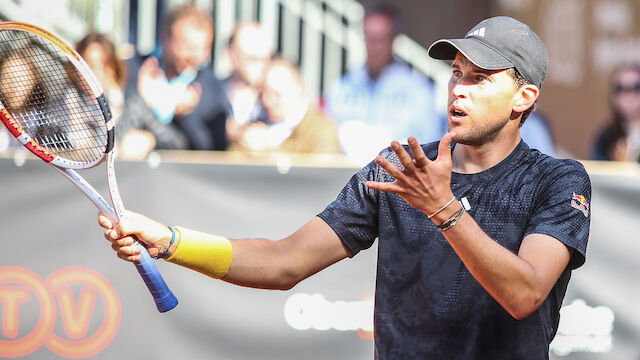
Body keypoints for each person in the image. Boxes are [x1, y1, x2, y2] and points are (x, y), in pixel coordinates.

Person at [99, 16, 591, 359]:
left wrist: (443, 208)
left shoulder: (558, 180)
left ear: (524, 97)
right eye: (456, 73)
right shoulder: (400, 168)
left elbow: (524, 294)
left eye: (480, 78)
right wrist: (168, 240)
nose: (458, 88)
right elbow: (284, 260)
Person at [324, 4, 443, 165]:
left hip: (397, 178)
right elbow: (327, 134)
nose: (374, 47)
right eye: (369, 38)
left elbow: (429, 142)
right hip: (346, 177)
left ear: (394, 39)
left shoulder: (417, 89)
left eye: (381, 39)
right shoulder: (343, 85)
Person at [127, 4, 232, 151]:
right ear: (165, 38)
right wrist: (142, 101)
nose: (195, 56)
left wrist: (184, 115)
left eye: (203, 48)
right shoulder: (135, 70)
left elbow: (211, 148)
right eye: (187, 47)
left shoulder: (212, 87)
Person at [76, 33, 188, 159]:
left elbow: (178, 143)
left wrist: (150, 140)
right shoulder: (59, 110)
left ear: (114, 69)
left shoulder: (133, 105)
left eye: (104, 65)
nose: (95, 73)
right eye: (89, 65)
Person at [230, 59, 341, 154]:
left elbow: (318, 171)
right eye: (264, 93)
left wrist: (267, 149)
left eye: (277, 95)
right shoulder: (257, 123)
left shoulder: (321, 129)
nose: (268, 101)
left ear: (299, 87)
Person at [223, 21, 273, 143]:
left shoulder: (273, 101)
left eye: (266, 59)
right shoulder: (212, 96)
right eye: (253, 59)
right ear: (232, 55)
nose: (262, 66)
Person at [592, 63, 640, 162]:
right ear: (613, 97)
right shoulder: (605, 138)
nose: (629, 95)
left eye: (636, 87)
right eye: (621, 88)